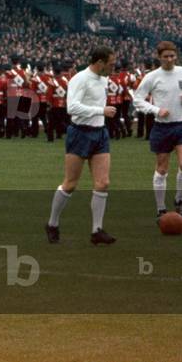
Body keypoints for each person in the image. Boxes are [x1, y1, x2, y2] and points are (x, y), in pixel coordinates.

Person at [45, 46, 117, 246]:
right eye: (111, 63)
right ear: (100, 62)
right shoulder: (80, 79)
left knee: (103, 183)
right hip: (80, 133)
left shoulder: (104, 79)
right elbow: (72, 107)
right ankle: (52, 224)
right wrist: (100, 110)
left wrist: (100, 115)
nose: (113, 67)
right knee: (70, 183)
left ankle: (97, 230)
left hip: (100, 133)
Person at [131, 41, 182, 218]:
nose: (169, 59)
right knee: (162, 169)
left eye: (172, 56)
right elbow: (137, 99)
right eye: (166, 56)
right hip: (162, 127)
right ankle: (160, 208)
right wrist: (156, 110)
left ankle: (179, 199)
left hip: (181, 124)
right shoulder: (152, 77)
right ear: (159, 57)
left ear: (176, 55)